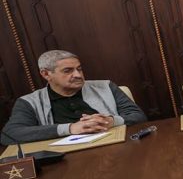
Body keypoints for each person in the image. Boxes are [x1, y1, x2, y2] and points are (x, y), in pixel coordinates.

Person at [1, 50, 146, 145]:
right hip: (64, 161)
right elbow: (9, 135)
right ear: (46, 74)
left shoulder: (106, 86)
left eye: (79, 69)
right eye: (68, 71)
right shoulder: (29, 102)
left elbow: (138, 116)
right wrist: (70, 128)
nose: (78, 75)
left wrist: (111, 121)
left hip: (113, 148)